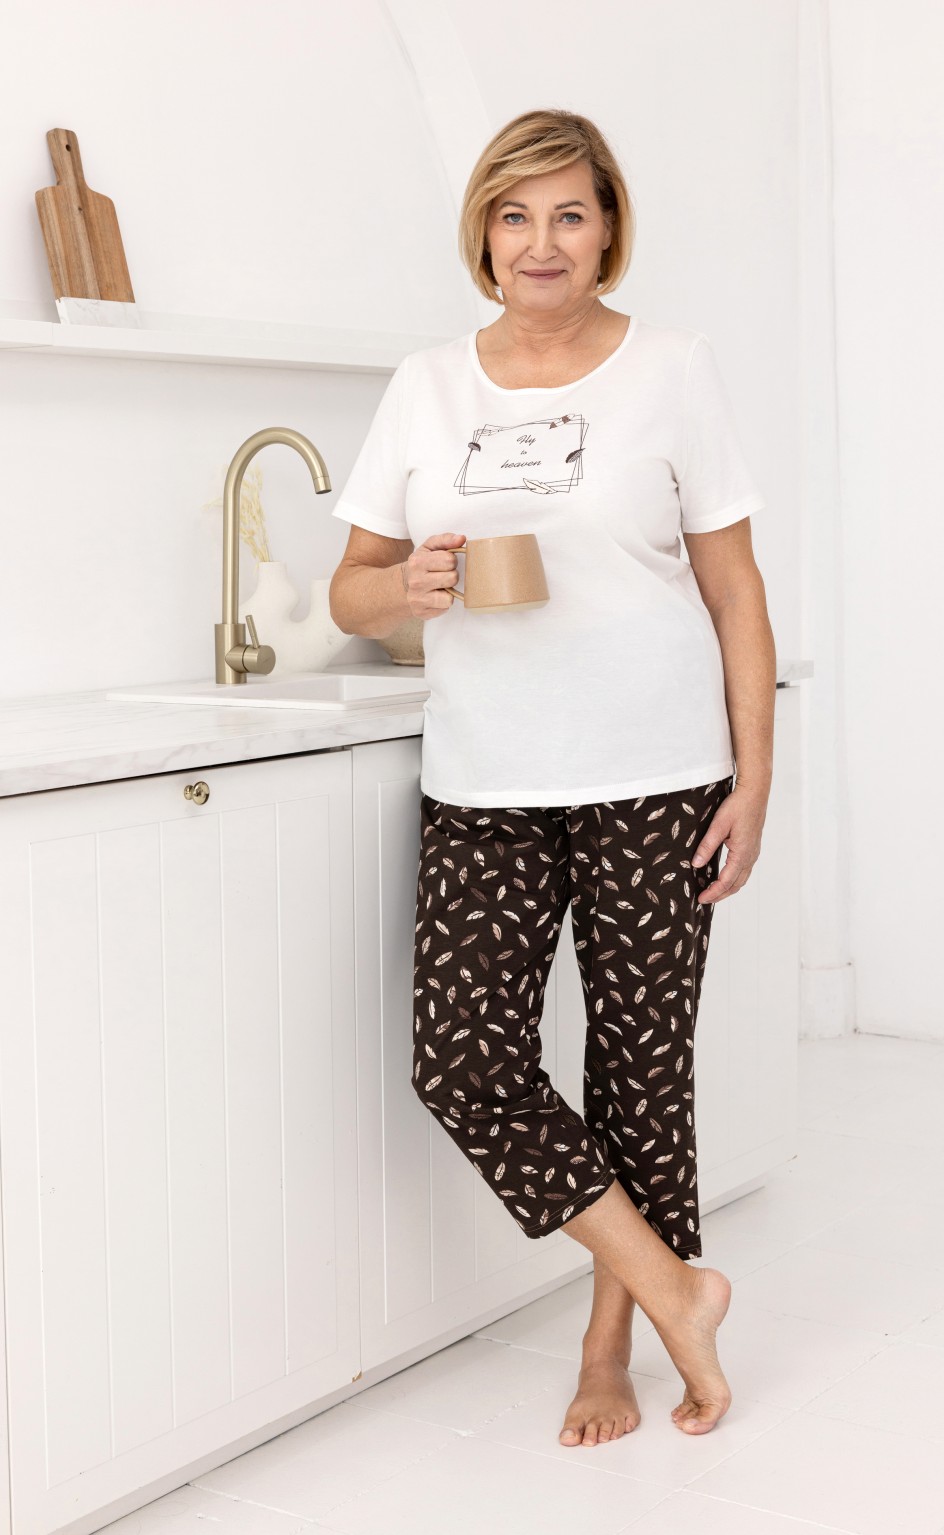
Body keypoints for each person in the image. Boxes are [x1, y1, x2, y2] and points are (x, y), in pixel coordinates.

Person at [329, 107, 776, 1448]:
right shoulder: (426, 384)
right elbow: (351, 588)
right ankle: (679, 1290)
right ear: (483, 232)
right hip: (487, 779)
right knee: (463, 1060)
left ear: (607, 230)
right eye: (516, 215)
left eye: (570, 214)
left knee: (642, 1074)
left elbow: (736, 591)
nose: (542, 242)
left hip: (660, 774)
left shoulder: (674, 369)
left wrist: (755, 780)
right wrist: (406, 586)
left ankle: (611, 1348)